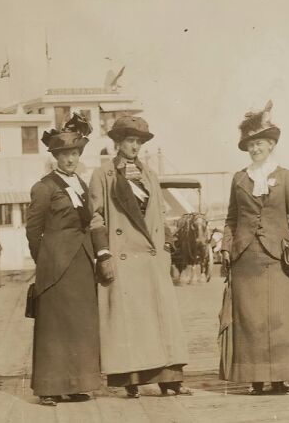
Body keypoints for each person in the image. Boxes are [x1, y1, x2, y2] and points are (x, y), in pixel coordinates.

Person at [89, 116, 191, 398]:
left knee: (160, 322)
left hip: (151, 259)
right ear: (118, 143)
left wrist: (167, 247)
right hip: (123, 259)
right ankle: (131, 381)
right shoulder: (103, 175)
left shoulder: (150, 175)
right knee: (130, 323)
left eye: (138, 141)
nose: (134, 146)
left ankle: (170, 381)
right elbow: (95, 218)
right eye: (129, 141)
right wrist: (104, 253)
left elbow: (161, 215)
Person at [220, 101, 289, 395]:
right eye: (251, 144)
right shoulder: (239, 178)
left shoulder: (286, 177)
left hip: (279, 258)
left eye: (260, 143)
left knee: (279, 319)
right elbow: (232, 218)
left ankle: (280, 377)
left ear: (271, 144)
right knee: (250, 321)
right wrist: (225, 247)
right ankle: (255, 378)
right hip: (245, 257)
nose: (255, 148)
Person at [26, 114, 101, 405]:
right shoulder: (44, 187)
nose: (69, 159)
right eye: (64, 154)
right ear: (55, 156)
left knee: (79, 324)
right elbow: (34, 231)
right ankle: (48, 387)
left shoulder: (81, 184)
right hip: (56, 266)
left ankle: (75, 383)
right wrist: (45, 259)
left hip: (82, 262)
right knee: (54, 327)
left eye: (74, 153)